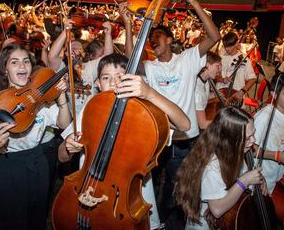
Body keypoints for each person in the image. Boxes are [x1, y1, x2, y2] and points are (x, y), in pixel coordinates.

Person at [123, 0, 220, 221]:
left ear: (170, 40)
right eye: (151, 38)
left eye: (158, 36)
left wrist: (193, 1)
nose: (153, 41)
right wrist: (127, 25)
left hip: (185, 139)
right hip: (157, 136)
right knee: (150, 186)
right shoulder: (151, 66)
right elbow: (130, 59)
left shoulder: (187, 58)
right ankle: (151, 222)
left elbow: (214, 35)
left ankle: (172, 223)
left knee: (177, 190)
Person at [58, 53, 190, 230]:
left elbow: (184, 123)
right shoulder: (89, 110)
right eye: (106, 77)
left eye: (120, 77)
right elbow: (62, 157)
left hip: (125, 202)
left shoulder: (143, 114)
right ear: (98, 83)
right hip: (86, 191)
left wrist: (150, 94)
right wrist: (68, 146)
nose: (113, 83)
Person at [0, 44, 72, 230]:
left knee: (37, 219)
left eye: (26, 62)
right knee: (11, 222)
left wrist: (61, 98)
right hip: (8, 168)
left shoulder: (38, 99)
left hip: (38, 163)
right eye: (14, 62)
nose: (22, 66)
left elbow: (63, 123)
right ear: (5, 70)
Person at [174, 106, 267, 229]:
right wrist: (245, 180)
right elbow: (217, 209)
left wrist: (259, 179)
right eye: (247, 138)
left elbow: (243, 175)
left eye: (253, 134)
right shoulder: (212, 166)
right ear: (229, 140)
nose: (253, 140)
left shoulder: (234, 152)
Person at [216, 32, 256, 104]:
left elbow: (252, 79)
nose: (226, 49)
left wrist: (242, 92)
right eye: (225, 46)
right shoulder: (221, 58)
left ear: (236, 44)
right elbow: (215, 76)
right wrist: (222, 79)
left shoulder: (244, 59)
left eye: (229, 46)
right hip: (220, 93)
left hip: (236, 95)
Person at [195, 52, 222, 130]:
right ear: (207, 65)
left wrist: (214, 95)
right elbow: (202, 124)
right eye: (218, 65)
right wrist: (225, 123)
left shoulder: (206, 81)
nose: (220, 69)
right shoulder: (197, 89)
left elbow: (204, 96)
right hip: (193, 131)